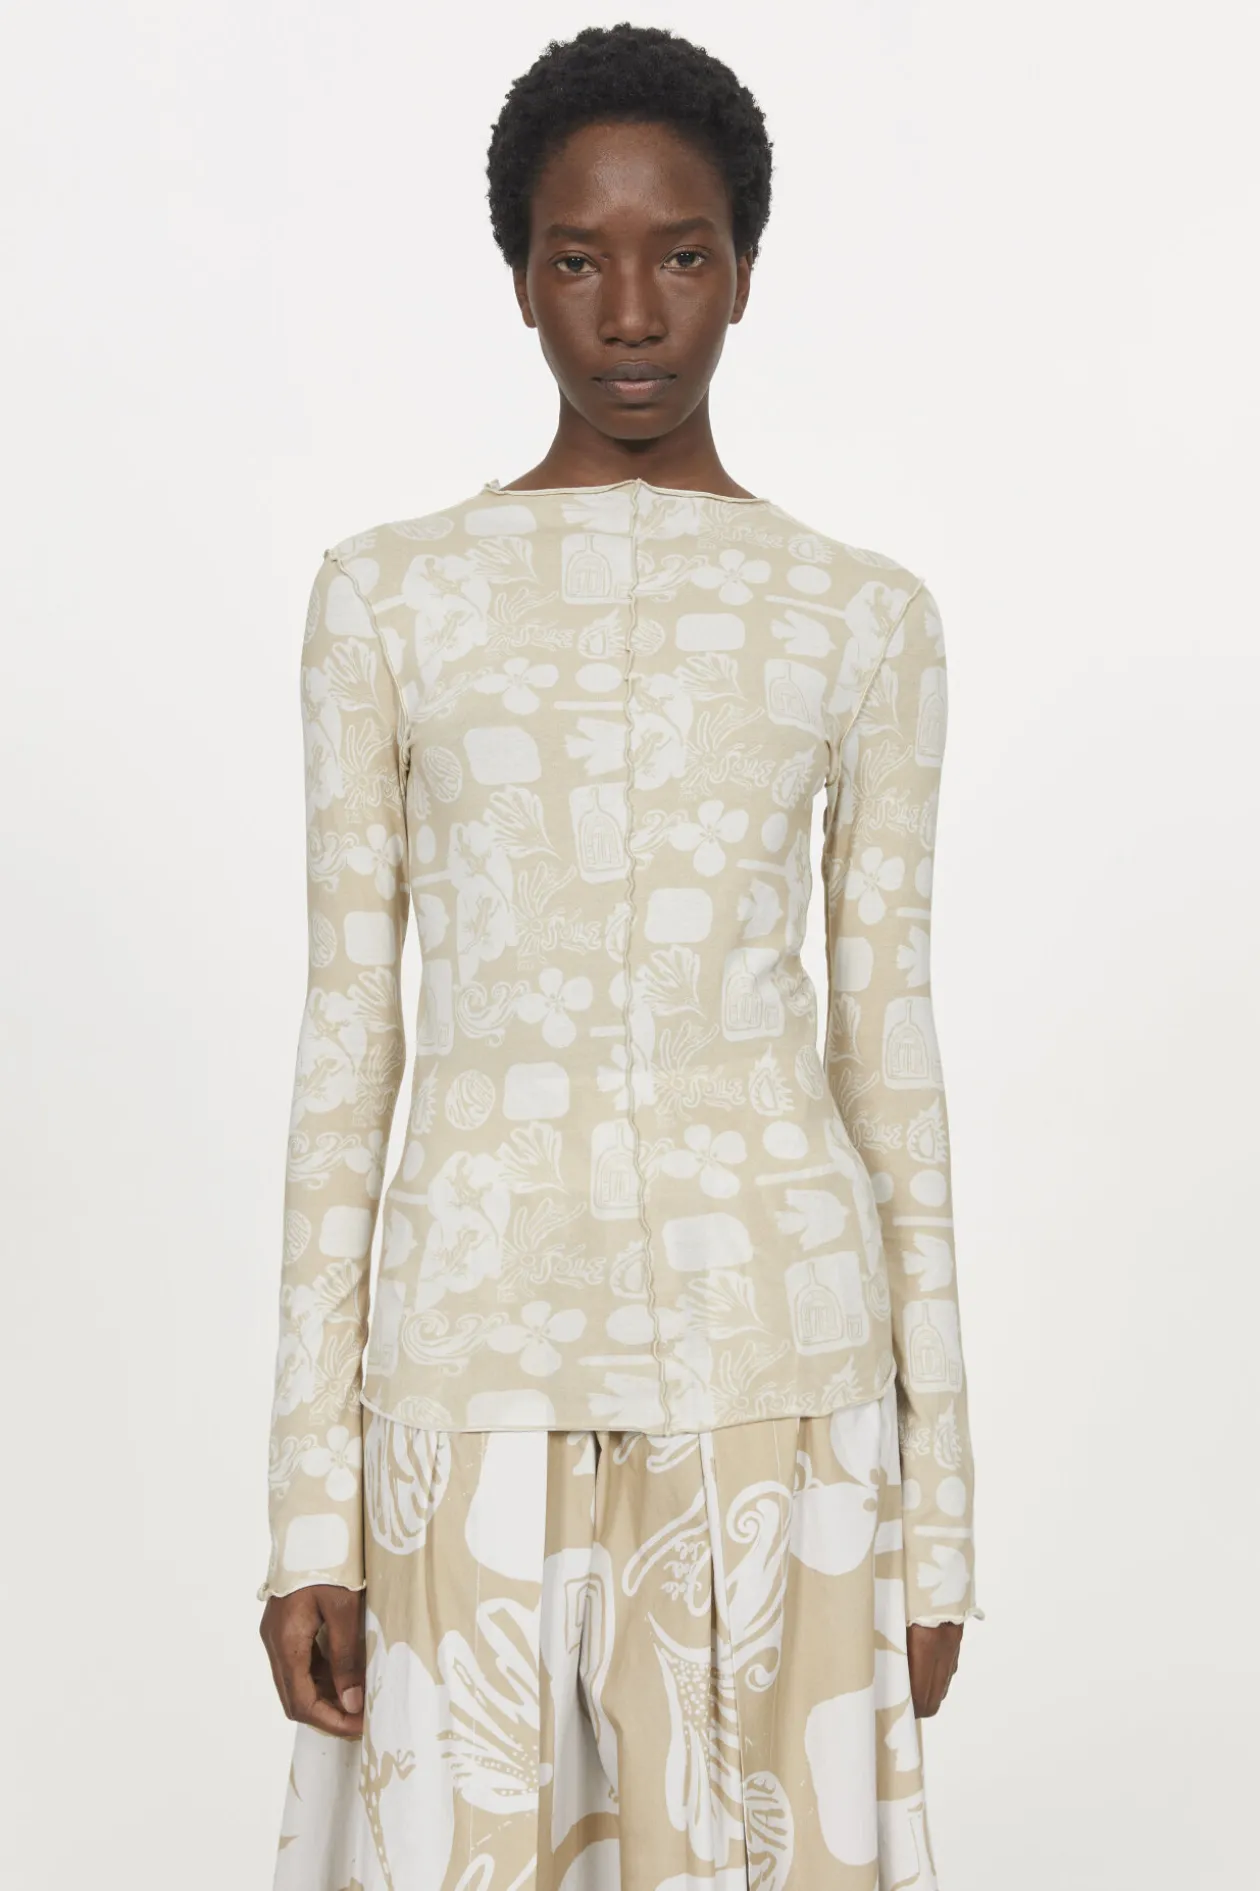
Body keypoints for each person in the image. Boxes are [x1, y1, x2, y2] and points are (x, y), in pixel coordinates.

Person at [258, 21, 983, 1889]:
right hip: (467, 1372)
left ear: (746, 269)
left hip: (781, 1381)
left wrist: (940, 1528)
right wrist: (308, 1517)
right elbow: (348, 1048)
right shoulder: (388, 599)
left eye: (683, 255)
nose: (634, 313)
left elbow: (891, 1063)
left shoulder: (861, 617)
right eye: (579, 259)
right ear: (518, 277)